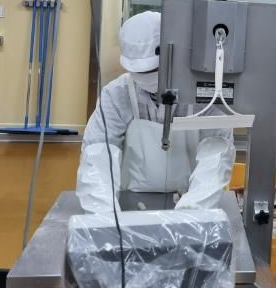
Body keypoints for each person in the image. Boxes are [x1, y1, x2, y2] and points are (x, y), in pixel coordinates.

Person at [76, 11, 236, 213]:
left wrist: (191, 211)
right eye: (139, 72)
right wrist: (104, 214)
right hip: (131, 202)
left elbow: (216, 153)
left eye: (153, 70)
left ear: (172, 57)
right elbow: (98, 153)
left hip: (191, 198)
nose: (146, 77)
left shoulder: (204, 96)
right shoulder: (117, 95)